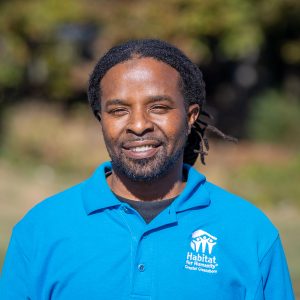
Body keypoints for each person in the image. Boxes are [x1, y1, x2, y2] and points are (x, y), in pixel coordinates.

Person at [0, 39, 295, 299]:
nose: (139, 125)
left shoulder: (248, 231)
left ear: (190, 116)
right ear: (100, 118)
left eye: (159, 107)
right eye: (118, 111)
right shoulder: (41, 229)